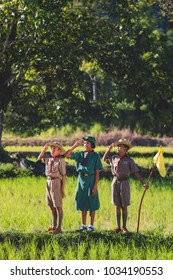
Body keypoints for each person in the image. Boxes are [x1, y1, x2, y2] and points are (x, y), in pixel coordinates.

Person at [102, 139, 148, 233]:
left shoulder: (129, 160)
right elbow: (104, 159)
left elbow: (136, 172)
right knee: (117, 205)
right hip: (115, 182)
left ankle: (124, 227)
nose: (118, 148)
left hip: (125, 182)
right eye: (118, 146)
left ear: (125, 149)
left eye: (120, 146)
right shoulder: (114, 157)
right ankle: (118, 226)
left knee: (124, 205)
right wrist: (108, 150)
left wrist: (143, 183)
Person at [65, 136, 103, 232]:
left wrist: (95, 186)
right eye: (84, 143)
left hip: (91, 178)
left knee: (92, 202)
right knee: (82, 201)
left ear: (92, 145)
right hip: (81, 179)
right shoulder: (80, 154)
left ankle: (91, 225)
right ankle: (83, 225)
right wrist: (75, 145)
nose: (85, 145)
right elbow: (67, 155)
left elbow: (97, 171)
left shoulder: (95, 156)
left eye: (88, 143)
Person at [38, 141, 66, 234]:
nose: (52, 150)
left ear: (59, 151)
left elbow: (64, 176)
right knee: (51, 206)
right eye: (52, 148)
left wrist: (62, 189)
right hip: (48, 182)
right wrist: (44, 149)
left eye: (54, 149)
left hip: (56, 182)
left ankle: (59, 228)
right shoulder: (48, 159)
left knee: (58, 205)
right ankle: (54, 226)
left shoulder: (61, 161)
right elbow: (39, 158)